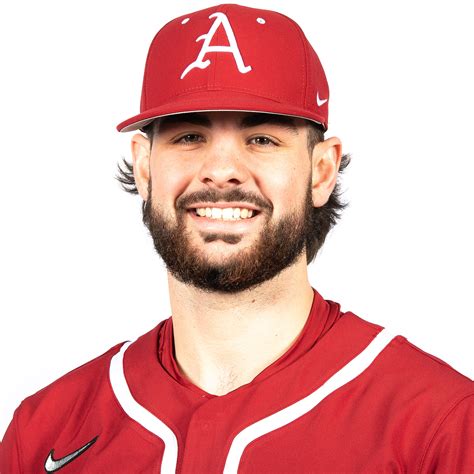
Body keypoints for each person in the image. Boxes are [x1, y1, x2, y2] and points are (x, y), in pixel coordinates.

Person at [1, 3, 473, 473]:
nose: (222, 170)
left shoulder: (440, 427)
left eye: (262, 139)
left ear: (322, 171)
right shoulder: (45, 430)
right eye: (189, 137)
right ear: (145, 168)